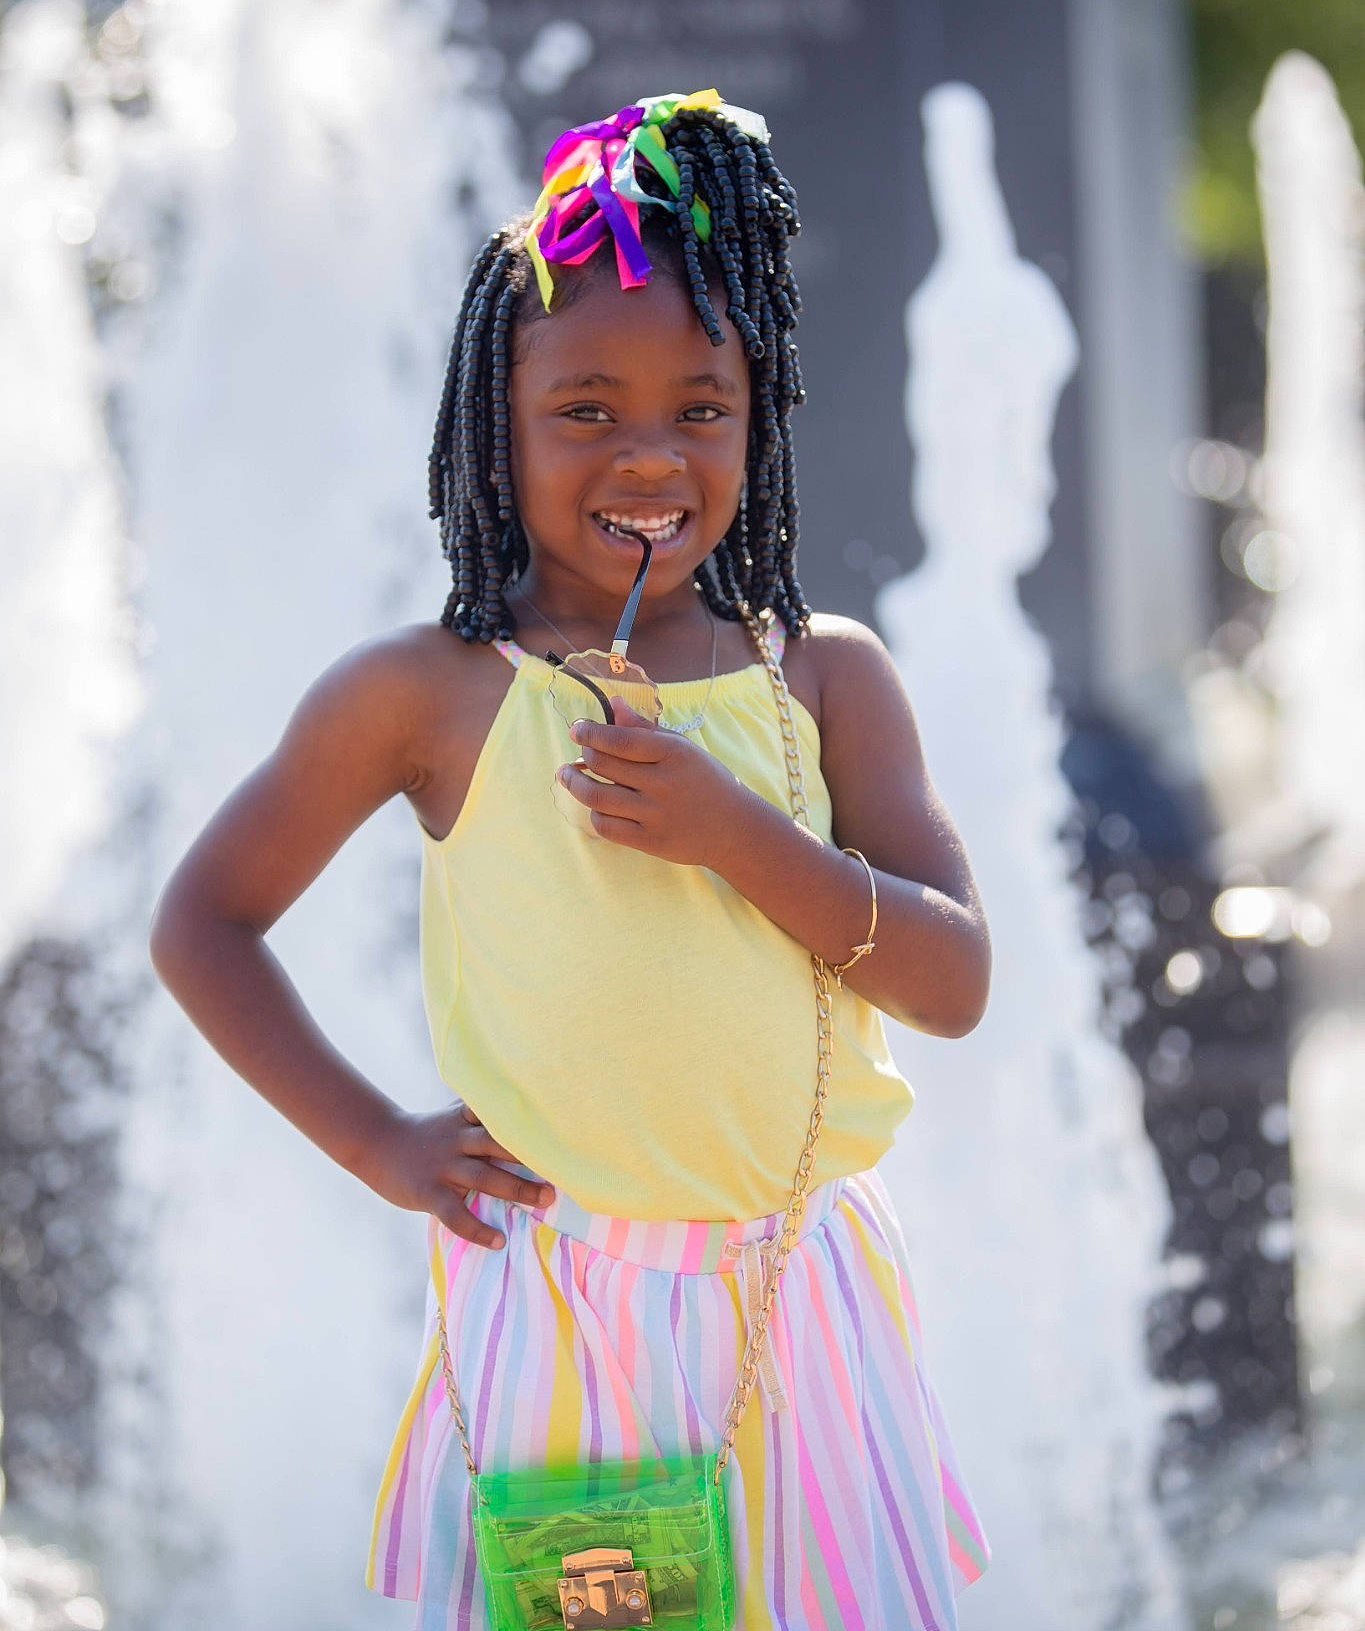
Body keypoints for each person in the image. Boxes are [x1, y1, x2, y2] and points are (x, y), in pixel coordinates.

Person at [150, 91, 994, 1630]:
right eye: (585, 410)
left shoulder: (824, 680)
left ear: (760, 416)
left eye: (701, 406)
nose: (649, 456)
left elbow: (951, 982)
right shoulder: (429, 693)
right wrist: (380, 1146)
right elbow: (205, 921)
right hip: (560, 1305)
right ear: (496, 423)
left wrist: (735, 834)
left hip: (797, 1299)